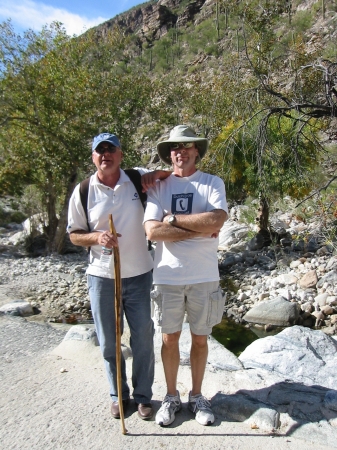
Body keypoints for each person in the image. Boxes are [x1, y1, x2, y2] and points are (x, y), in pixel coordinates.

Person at [67, 132, 168, 421]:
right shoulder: (84, 190)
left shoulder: (136, 178)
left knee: (143, 338)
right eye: (100, 151)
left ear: (121, 155)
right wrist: (96, 237)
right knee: (110, 341)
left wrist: (153, 176)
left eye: (111, 150)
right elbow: (74, 235)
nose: (105, 155)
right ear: (93, 156)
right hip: (101, 277)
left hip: (138, 274)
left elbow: (169, 174)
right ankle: (118, 395)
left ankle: (143, 396)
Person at [143, 125, 228, 427]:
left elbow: (218, 218)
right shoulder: (158, 187)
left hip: (205, 275)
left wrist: (174, 220)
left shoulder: (211, 182)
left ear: (196, 151)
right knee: (169, 340)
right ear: (170, 154)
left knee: (201, 340)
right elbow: (153, 230)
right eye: (174, 148)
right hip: (167, 277)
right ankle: (170, 396)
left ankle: (196, 396)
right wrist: (199, 227)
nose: (180, 152)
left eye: (186, 146)